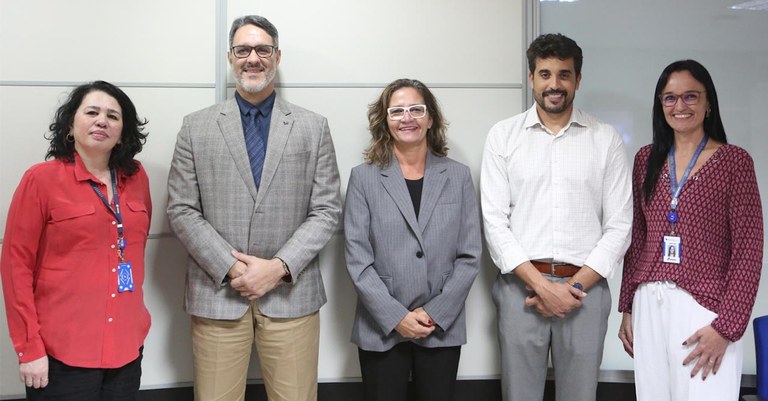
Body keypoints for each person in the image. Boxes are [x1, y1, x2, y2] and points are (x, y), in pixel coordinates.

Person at [166, 15, 342, 401]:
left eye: (263, 49)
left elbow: (327, 209)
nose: (253, 58)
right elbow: (181, 209)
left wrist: (277, 269)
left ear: (277, 56)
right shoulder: (196, 127)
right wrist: (235, 269)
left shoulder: (313, 126)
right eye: (243, 50)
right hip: (218, 297)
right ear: (230, 57)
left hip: (291, 297)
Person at [480, 33, 632, 401]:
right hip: (521, 289)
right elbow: (494, 223)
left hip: (586, 293)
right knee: (520, 395)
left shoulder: (605, 138)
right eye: (545, 74)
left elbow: (620, 226)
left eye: (564, 74)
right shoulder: (503, 137)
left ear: (578, 80)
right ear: (531, 77)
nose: (554, 84)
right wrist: (544, 287)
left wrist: (573, 288)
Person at [618, 59, 764, 401]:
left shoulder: (734, 162)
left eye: (690, 97)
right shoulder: (645, 159)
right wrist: (627, 307)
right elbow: (638, 239)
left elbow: (749, 250)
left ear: (708, 102)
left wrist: (726, 328)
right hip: (649, 305)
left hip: (705, 311)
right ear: (660, 105)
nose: (679, 106)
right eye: (669, 98)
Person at [1, 80, 151, 400]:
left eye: (113, 116)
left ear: (123, 132)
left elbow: (135, 251)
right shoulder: (41, 179)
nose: (102, 120)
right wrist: (29, 349)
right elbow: (16, 267)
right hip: (62, 355)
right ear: (71, 124)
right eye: (92, 112)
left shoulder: (137, 177)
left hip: (125, 350)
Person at [344, 78, 482, 401]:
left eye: (416, 109)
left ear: (430, 118)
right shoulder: (363, 178)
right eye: (397, 111)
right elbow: (357, 258)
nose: (407, 118)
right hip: (381, 327)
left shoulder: (459, 176)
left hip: (440, 326)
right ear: (385, 120)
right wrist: (397, 318)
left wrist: (435, 312)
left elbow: (470, 255)